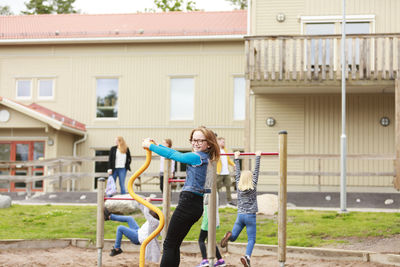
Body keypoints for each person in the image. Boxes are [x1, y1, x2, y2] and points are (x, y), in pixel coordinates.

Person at [142, 126, 220, 267]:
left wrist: (150, 146)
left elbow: (176, 156)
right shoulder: (207, 158)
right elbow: (174, 152)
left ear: (208, 143)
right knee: (174, 244)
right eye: (193, 140)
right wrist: (157, 145)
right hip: (195, 205)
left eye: (200, 140)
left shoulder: (197, 157)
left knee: (169, 243)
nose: (195, 143)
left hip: (188, 204)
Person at [220, 151, 261, 267]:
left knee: (233, 238)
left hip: (240, 215)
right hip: (250, 216)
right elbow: (257, 171)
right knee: (251, 239)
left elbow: (237, 172)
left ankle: (228, 236)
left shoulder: (238, 184)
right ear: (251, 178)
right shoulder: (253, 185)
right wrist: (258, 157)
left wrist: (236, 158)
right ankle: (247, 256)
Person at [104, 198, 161, 263]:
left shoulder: (155, 222)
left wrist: (147, 203)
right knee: (129, 218)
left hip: (137, 238)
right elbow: (144, 210)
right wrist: (139, 200)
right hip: (138, 231)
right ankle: (109, 216)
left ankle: (117, 249)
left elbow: (146, 212)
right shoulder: (153, 219)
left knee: (120, 228)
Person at [196, 193, 226, 267]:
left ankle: (204, 260)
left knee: (201, 240)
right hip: (214, 218)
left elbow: (205, 204)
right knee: (210, 241)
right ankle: (220, 260)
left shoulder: (208, 191)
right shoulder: (214, 191)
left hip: (208, 219)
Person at [216, 137, 235, 206]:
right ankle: (217, 201)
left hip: (226, 172)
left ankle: (229, 201)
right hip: (219, 172)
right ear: (218, 142)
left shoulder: (225, 150)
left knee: (228, 186)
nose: (224, 143)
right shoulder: (216, 150)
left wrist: (233, 165)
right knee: (217, 187)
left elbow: (228, 160)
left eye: (224, 142)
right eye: (222, 142)